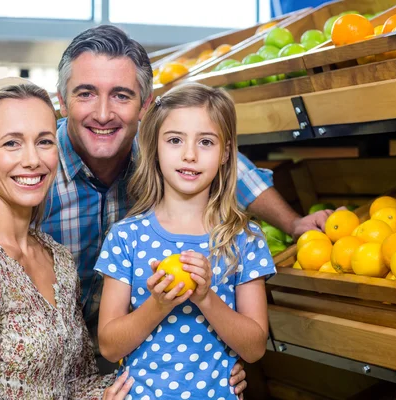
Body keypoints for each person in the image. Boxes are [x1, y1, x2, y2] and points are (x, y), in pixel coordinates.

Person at [0, 77, 133, 398]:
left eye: (44, 141)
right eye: (11, 143)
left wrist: (182, 374)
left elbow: (76, 384)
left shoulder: (57, 257)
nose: (32, 159)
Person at [94, 83, 276, 398]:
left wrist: (206, 297)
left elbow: (255, 347)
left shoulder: (245, 238)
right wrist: (159, 304)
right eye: (175, 140)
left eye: (206, 142)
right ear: (154, 148)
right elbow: (110, 347)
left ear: (226, 153)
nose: (190, 155)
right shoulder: (126, 237)